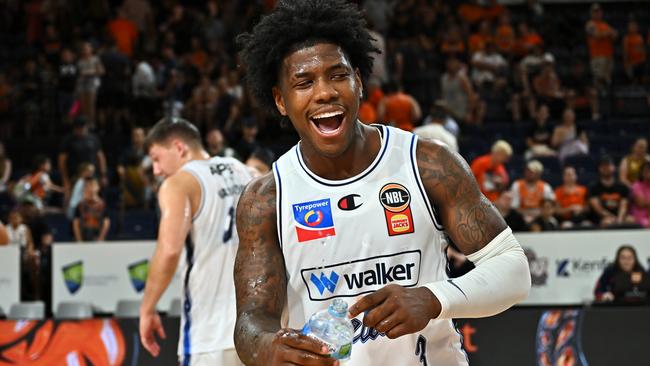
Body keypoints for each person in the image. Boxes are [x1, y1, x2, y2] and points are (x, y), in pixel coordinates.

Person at [234, 1, 531, 365]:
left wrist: (433, 298)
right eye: (304, 82)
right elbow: (251, 322)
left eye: (338, 75)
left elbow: (514, 269)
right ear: (281, 100)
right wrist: (267, 347)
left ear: (358, 81)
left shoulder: (426, 163)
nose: (325, 92)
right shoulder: (266, 199)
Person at [138, 118, 252, 366]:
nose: (156, 170)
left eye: (156, 158)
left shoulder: (179, 183)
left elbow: (169, 251)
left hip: (210, 333)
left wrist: (147, 309)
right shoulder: (244, 170)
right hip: (258, 331)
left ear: (179, 148)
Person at [588, 155, 635, 228]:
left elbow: (623, 206)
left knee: (631, 220)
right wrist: (611, 218)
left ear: (614, 168)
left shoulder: (622, 187)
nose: (606, 168)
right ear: (599, 169)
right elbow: (598, 209)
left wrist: (619, 219)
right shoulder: (593, 187)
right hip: (601, 218)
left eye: (608, 165)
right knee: (606, 222)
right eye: (603, 166)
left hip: (619, 216)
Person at [585, 3, 617, 91]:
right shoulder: (590, 24)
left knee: (607, 81)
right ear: (591, 13)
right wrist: (608, 33)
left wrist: (609, 33)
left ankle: (607, 101)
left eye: (598, 11)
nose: (597, 13)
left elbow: (615, 35)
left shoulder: (605, 25)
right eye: (595, 12)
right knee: (599, 81)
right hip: (597, 56)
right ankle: (599, 101)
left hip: (608, 56)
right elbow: (595, 35)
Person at [72, 177, 110, 242]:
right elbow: (76, 223)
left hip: (97, 238)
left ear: (98, 187)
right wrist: (79, 240)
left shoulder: (102, 205)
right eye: (88, 185)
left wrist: (101, 238)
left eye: (93, 185)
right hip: (83, 238)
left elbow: (106, 223)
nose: (91, 188)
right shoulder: (80, 205)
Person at [629, 162, 650, 228]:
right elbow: (641, 203)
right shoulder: (636, 185)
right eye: (646, 170)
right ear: (642, 172)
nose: (648, 173)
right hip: (640, 217)